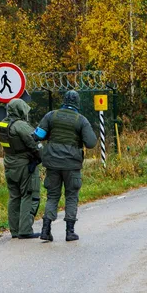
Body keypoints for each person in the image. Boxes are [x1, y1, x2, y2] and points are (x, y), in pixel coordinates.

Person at [34, 90, 97, 242]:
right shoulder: (81, 120)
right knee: (71, 196)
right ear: (77, 103)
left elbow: (38, 135)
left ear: (64, 101)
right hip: (72, 164)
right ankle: (70, 232)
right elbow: (91, 142)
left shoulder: (51, 116)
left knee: (53, 196)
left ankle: (46, 229)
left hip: (52, 163)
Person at [0, 96, 41, 239]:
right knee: (28, 194)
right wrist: (42, 156)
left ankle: (14, 230)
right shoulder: (20, 125)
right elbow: (34, 142)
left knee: (14, 196)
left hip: (9, 163)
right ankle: (25, 229)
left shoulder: (3, 124)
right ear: (20, 110)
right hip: (24, 164)